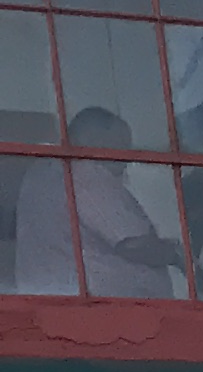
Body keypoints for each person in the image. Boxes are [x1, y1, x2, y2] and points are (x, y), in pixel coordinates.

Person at [13, 114, 186, 301]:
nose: (126, 158)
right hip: (105, 308)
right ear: (97, 141)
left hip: (50, 298)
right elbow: (132, 243)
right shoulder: (86, 172)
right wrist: (175, 254)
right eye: (122, 145)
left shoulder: (39, 175)